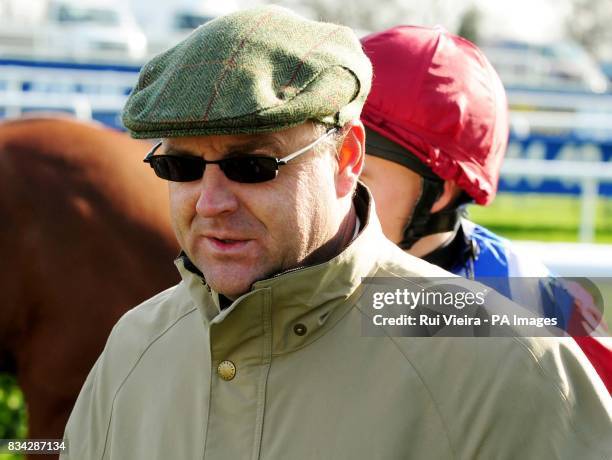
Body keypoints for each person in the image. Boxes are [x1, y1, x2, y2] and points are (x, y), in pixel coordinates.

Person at [62, 7, 611, 459]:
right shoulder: (133, 348)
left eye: (253, 166)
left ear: (348, 158)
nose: (211, 203)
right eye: (179, 168)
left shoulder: (515, 362)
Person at [359, 25, 612, 391]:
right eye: (327, 161)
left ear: (441, 191)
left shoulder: (536, 307)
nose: (332, 189)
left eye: (359, 176)